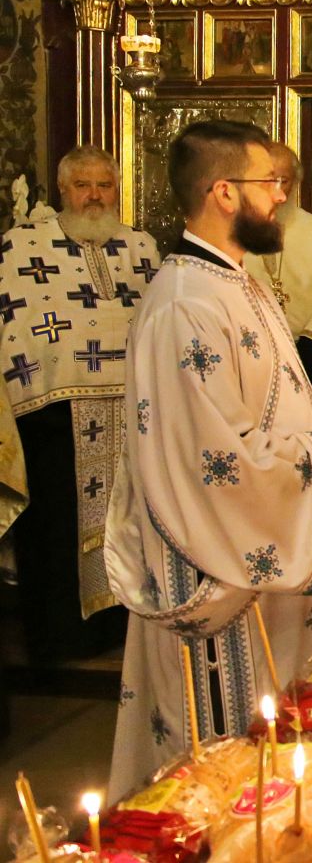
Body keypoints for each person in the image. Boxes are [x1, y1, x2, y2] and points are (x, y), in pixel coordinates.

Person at [104, 120, 312, 798]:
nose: (281, 196)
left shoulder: (238, 283)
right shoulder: (183, 306)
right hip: (221, 578)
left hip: (267, 577)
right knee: (229, 774)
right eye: (271, 183)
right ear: (223, 193)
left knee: (290, 761)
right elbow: (213, 460)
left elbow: (255, 410)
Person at [0, 147, 161, 663]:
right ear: (62, 190)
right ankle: (58, 638)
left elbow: (159, 323)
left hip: (132, 415)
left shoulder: (141, 249)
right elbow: (11, 327)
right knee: (55, 531)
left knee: (131, 519)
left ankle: (123, 625)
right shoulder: (21, 248)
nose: (94, 196)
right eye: (82, 186)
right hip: (51, 419)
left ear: (118, 189)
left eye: (104, 185)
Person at [242, 142, 312, 385]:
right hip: (250, 356)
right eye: (269, 181)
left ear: (296, 183)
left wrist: (309, 349)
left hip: (309, 360)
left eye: (285, 180)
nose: (278, 191)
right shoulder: (236, 231)